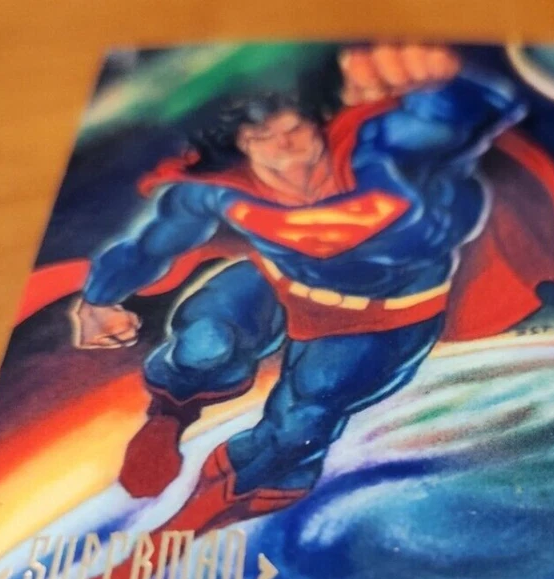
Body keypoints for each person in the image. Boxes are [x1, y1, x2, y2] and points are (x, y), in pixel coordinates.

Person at [70, 44, 526, 542]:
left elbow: (457, 118)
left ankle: (206, 510)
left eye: (294, 130)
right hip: (281, 282)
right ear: (240, 148)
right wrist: (98, 300)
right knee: (204, 340)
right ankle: (171, 411)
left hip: (381, 318)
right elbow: (149, 246)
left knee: (298, 424)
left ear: (318, 124)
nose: (286, 150)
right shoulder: (218, 188)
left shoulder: (383, 154)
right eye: (262, 139)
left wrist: (445, 83)